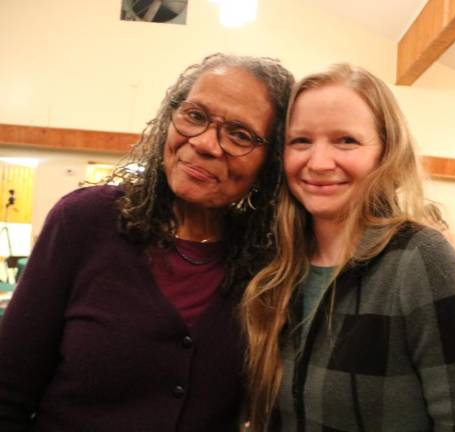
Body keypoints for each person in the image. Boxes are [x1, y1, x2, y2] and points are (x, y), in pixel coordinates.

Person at [0, 53, 294, 431]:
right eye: (195, 115)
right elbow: (8, 390)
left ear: (270, 161)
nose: (205, 143)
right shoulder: (85, 221)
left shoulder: (269, 262)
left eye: (240, 134)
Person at [242, 64, 455, 432]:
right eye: (300, 141)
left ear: (386, 152)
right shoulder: (279, 265)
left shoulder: (420, 260)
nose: (318, 163)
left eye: (346, 140)